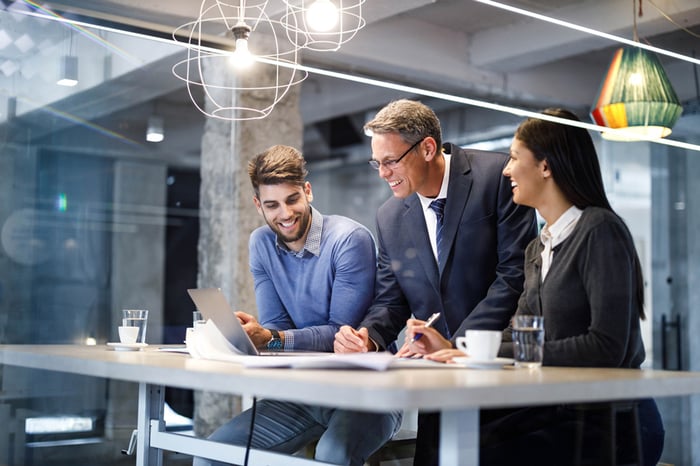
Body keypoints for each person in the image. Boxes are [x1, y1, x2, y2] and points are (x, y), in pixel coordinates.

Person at [428, 108, 665, 465]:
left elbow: (607, 346)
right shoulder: (539, 246)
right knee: (449, 437)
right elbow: (522, 332)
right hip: (563, 409)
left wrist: (494, 353)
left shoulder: (599, 229)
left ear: (545, 166)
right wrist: (460, 348)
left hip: (610, 420)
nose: (507, 170)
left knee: (479, 452)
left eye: (513, 158)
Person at [333, 99, 537, 465]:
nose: (382, 173)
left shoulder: (497, 177)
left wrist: (454, 345)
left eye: (391, 161)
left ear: (427, 148)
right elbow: (391, 301)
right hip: (436, 388)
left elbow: (514, 275)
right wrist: (368, 336)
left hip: (498, 375)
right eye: (376, 163)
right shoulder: (390, 215)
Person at [193, 145, 402, 466]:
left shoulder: (349, 239)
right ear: (258, 205)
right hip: (302, 392)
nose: (285, 214)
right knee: (211, 456)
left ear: (307, 191)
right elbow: (277, 326)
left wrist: (271, 338)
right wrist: (255, 336)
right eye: (272, 205)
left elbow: (338, 334)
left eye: (292, 200)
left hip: (365, 391)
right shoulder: (261, 243)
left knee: (332, 455)